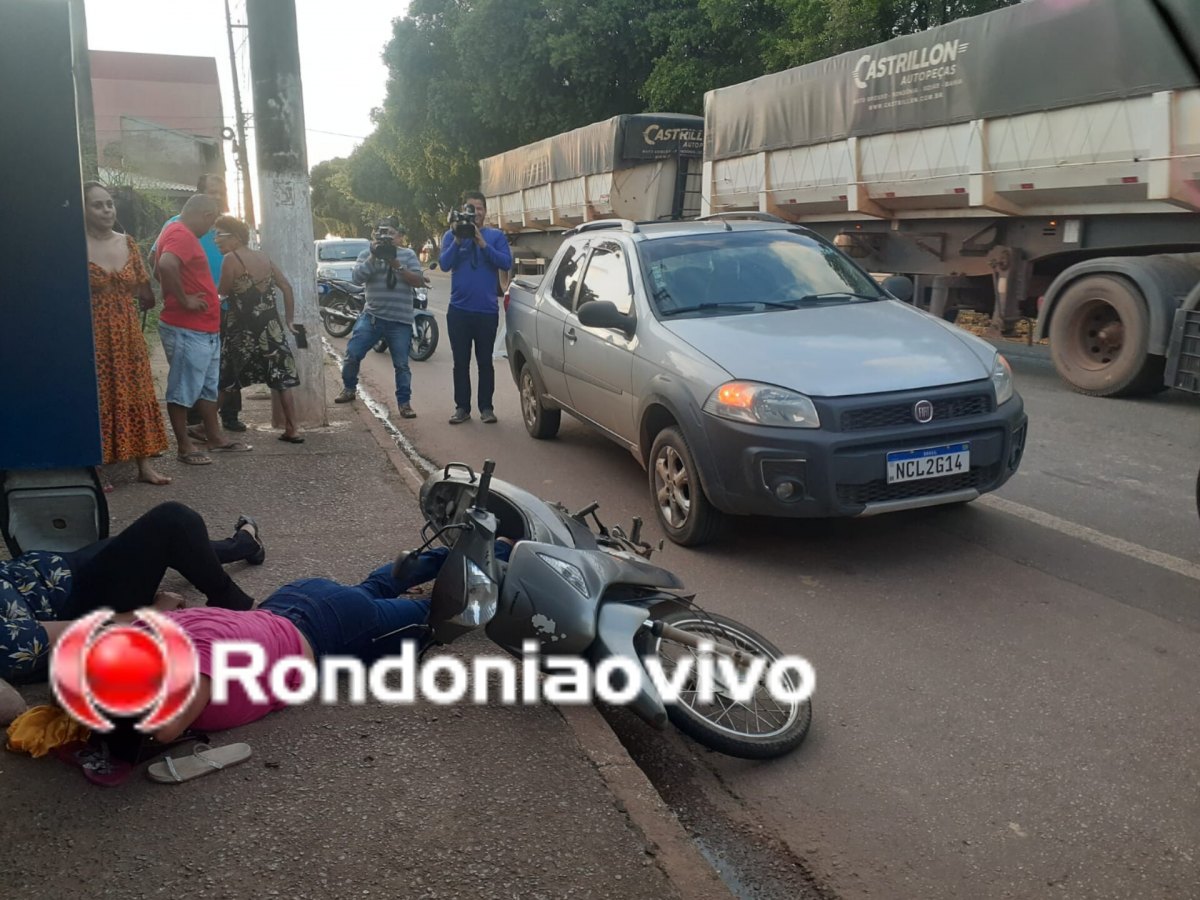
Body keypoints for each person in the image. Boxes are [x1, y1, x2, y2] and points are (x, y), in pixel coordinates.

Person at [70, 540, 514, 743]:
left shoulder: (194, 671)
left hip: (328, 632)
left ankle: (503, 573)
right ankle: (468, 549)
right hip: (295, 600)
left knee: (432, 619)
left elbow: (164, 731)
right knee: (369, 591)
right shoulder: (167, 630)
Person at [0, 502, 264, 683]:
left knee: (172, 544)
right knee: (173, 521)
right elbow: (57, 636)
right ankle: (245, 611)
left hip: (54, 573)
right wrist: (148, 615)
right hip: (76, 604)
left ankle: (245, 544)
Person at [82, 182, 171, 488]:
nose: (107, 210)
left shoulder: (128, 242)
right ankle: (97, 466)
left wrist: (144, 294)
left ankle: (144, 464)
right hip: (92, 333)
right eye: (97, 205)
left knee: (138, 391)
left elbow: (144, 291)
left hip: (128, 332)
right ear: (83, 210)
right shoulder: (74, 244)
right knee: (98, 394)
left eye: (109, 203)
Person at [155, 194, 252, 464]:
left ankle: (215, 437)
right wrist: (184, 299)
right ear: (208, 216)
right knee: (183, 389)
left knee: (208, 387)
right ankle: (185, 447)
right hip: (187, 327)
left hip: (203, 328)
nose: (210, 233)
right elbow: (165, 265)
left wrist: (175, 291)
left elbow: (157, 267)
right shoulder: (181, 233)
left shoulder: (174, 232)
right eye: (211, 227)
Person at [211, 215, 304, 444]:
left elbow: (222, 292)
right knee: (281, 377)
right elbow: (286, 287)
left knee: (227, 379)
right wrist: (289, 320)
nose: (215, 241)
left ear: (234, 237)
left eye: (219, 235)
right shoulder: (263, 257)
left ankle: (207, 428)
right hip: (270, 328)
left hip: (242, 331)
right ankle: (293, 428)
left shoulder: (231, 259)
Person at [334, 216, 425, 419]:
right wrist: (374, 257)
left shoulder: (408, 254)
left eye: (391, 233)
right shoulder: (367, 254)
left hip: (400, 321)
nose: (386, 237)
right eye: (382, 233)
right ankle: (349, 388)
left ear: (400, 237)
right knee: (352, 354)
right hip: (373, 317)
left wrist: (396, 264)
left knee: (401, 365)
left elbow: (418, 281)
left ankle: (404, 404)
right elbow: (357, 278)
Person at [439, 191, 512, 424]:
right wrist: (459, 240)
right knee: (460, 362)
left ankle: (486, 408)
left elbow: (506, 262)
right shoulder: (451, 236)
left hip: (486, 311)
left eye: (479, 208)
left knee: (484, 363)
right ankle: (462, 408)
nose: (475, 212)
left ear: (485, 211)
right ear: (463, 210)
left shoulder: (495, 235)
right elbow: (444, 264)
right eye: (470, 208)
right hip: (459, 311)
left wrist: (481, 243)